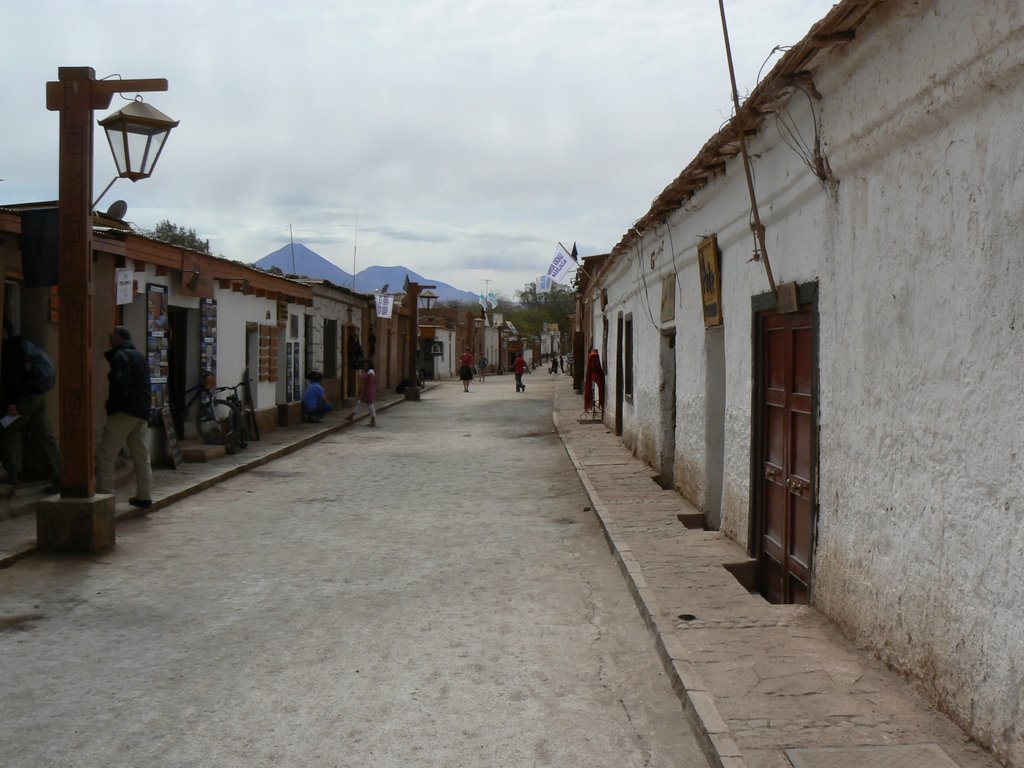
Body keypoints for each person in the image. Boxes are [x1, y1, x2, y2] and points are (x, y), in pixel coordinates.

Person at [96, 326, 153, 509]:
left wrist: (112, 405)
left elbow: (121, 385)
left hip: (125, 411)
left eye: (111, 338)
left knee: (106, 453)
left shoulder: (121, 357)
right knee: (141, 456)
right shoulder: (139, 356)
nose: (109, 342)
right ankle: (145, 495)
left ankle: (105, 497)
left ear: (119, 338)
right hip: (141, 410)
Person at [0, 323, 60, 492]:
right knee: (45, 437)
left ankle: (11, 475)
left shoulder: (9, 349)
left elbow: (12, 377)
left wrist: (11, 402)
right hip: (38, 396)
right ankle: (61, 475)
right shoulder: (23, 345)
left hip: (23, 400)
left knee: (7, 430)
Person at [345, 358, 377, 427]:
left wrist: (366, 391)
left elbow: (370, 383)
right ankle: (352, 415)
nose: (364, 365)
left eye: (366, 364)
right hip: (366, 390)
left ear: (369, 364)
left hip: (369, 391)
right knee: (360, 403)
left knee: (370, 405)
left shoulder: (371, 372)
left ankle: (373, 420)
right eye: (364, 364)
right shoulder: (367, 372)